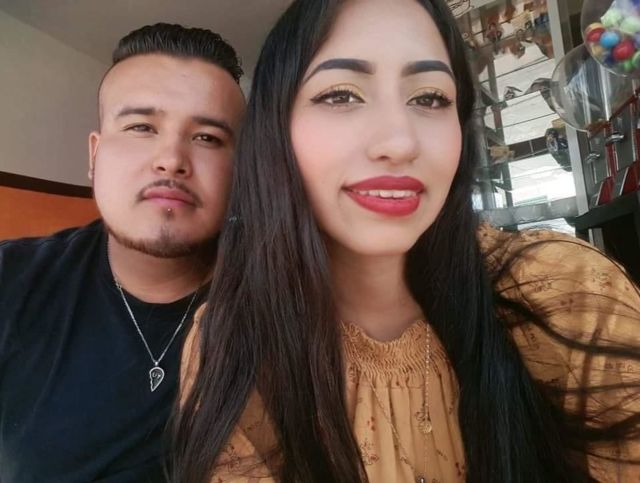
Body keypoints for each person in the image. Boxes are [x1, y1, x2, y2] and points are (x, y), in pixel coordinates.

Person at [173, 1, 640, 482]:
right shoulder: (235, 340)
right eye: (341, 95)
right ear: (276, 129)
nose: (399, 142)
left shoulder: (567, 292)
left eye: (430, 99)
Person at [0, 23, 245, 482]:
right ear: (94, 157)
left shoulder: (288, 301)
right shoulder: (10, 280)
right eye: (141, 127)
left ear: (242, 169)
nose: (171, 159)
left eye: (208, 137)